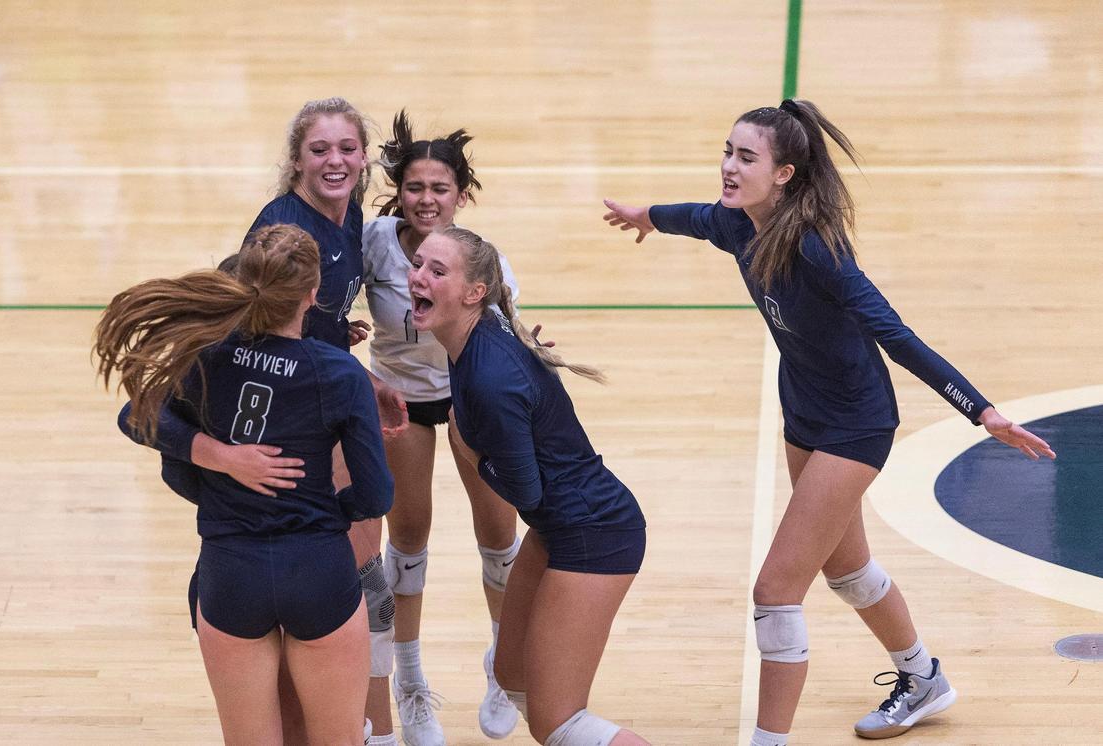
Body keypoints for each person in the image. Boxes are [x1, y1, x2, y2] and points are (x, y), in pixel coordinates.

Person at [601, 99, 1056, 745]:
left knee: (775, 590)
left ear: (784, 173)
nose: (729, 167)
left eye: (746, 157)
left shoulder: (818, 252)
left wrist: (982, 412)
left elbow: (897, 337)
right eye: (727, 152)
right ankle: (923, 678)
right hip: (805, 413)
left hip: (855, 424)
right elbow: (692, 218)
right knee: (847, 572)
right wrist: (644, 216)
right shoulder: (736, 223)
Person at [124, 97, 407, 746]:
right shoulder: (284, 239)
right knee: (367, 568)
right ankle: (385, 722)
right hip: (312, 552)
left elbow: (135, 412)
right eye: (319, 150)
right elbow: (373, 494)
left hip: (231, 564)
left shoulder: (216, 353)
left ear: (363, 158)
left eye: (345, 148)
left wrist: (214, 461)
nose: (334, 160)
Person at [407, 226, 651, 746]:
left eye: (437, 271)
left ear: (475, 293)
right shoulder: (480, 332)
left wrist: (472, 453)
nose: (417, 278)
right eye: (419, 264)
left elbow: (528, 493)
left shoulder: (489, 378)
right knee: (511, 675)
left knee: (558, 722)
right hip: (560, 528)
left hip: (593, 533)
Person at [362, 110, 524, 745]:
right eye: (414, 187)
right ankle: (409, 682)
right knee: (407, 540)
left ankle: (503, 667)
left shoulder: (483, 260)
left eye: (440, 188)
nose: (426, 200)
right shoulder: (372, 241)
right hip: (397, 401)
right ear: (398, 190)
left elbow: (511, 341)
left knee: (499, 534)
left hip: (465, 399)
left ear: (462, 194)